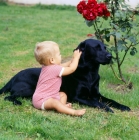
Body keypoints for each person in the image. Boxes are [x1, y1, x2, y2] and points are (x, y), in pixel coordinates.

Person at [32, 41, 86, 116]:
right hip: (41, 100)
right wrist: (76, 58)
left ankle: (62, 107)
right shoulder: (54, 69)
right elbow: (71, 69)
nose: (61, 55)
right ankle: (73, 112)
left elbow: (63, 65)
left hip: (49, 95)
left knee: (63, 94)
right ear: (52, 60)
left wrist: (72, 60)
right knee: (54, 102)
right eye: (59, 54)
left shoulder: (47, 66)